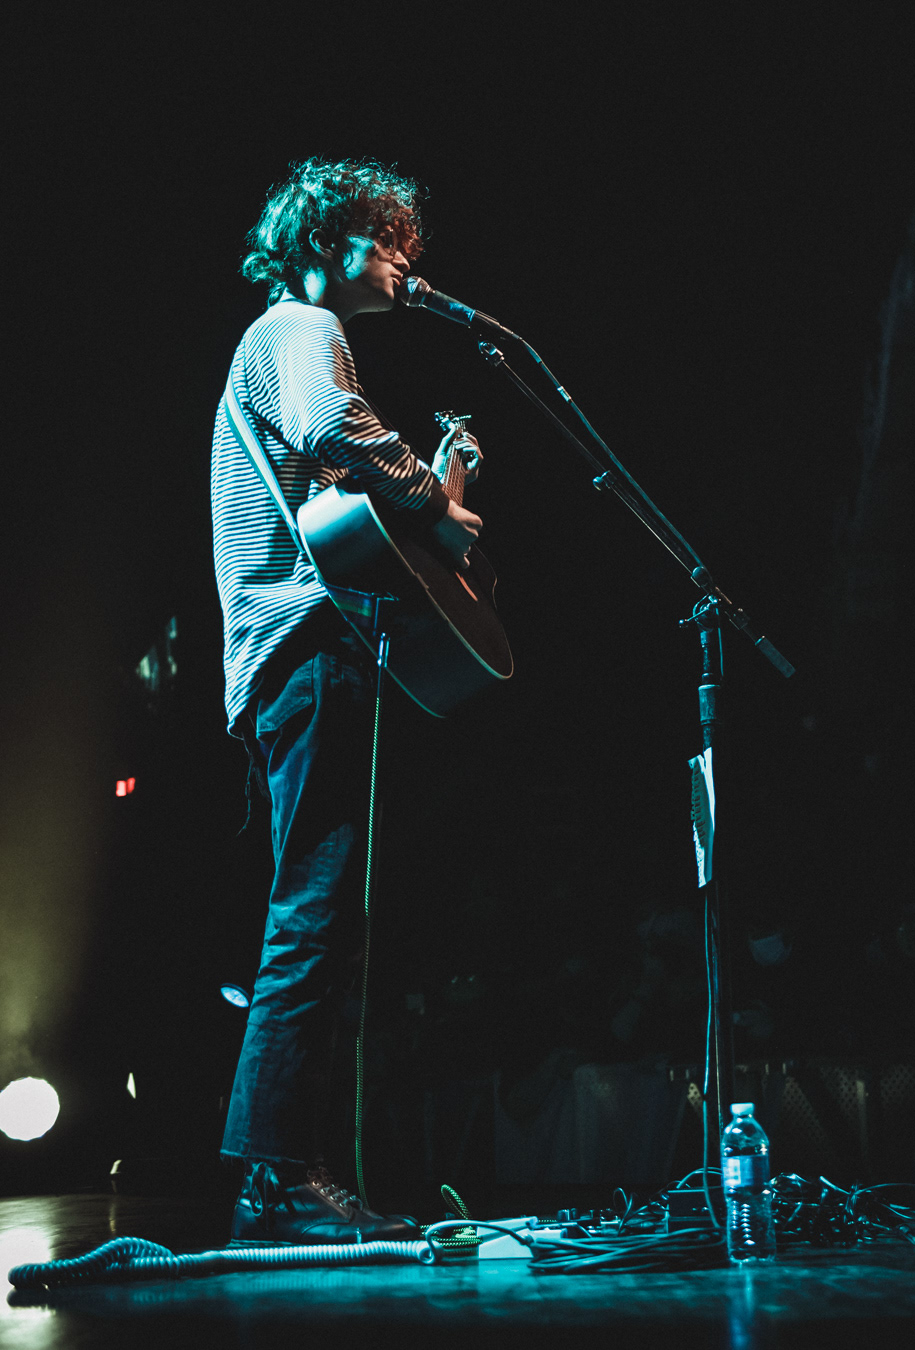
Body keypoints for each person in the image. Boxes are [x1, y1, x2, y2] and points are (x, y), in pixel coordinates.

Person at [211, 157, 483, 1245]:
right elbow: (335, 429)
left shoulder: (280, 342)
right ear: (326, 237)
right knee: (316, 917)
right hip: (306, 649)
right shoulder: (299, 332)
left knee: (329, 918)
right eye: (388, 239)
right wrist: (437, 497)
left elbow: (332, 490)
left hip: (305, 655)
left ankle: (298, 1171)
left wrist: (430, 500)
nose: (408, 261)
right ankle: (280, 1179)